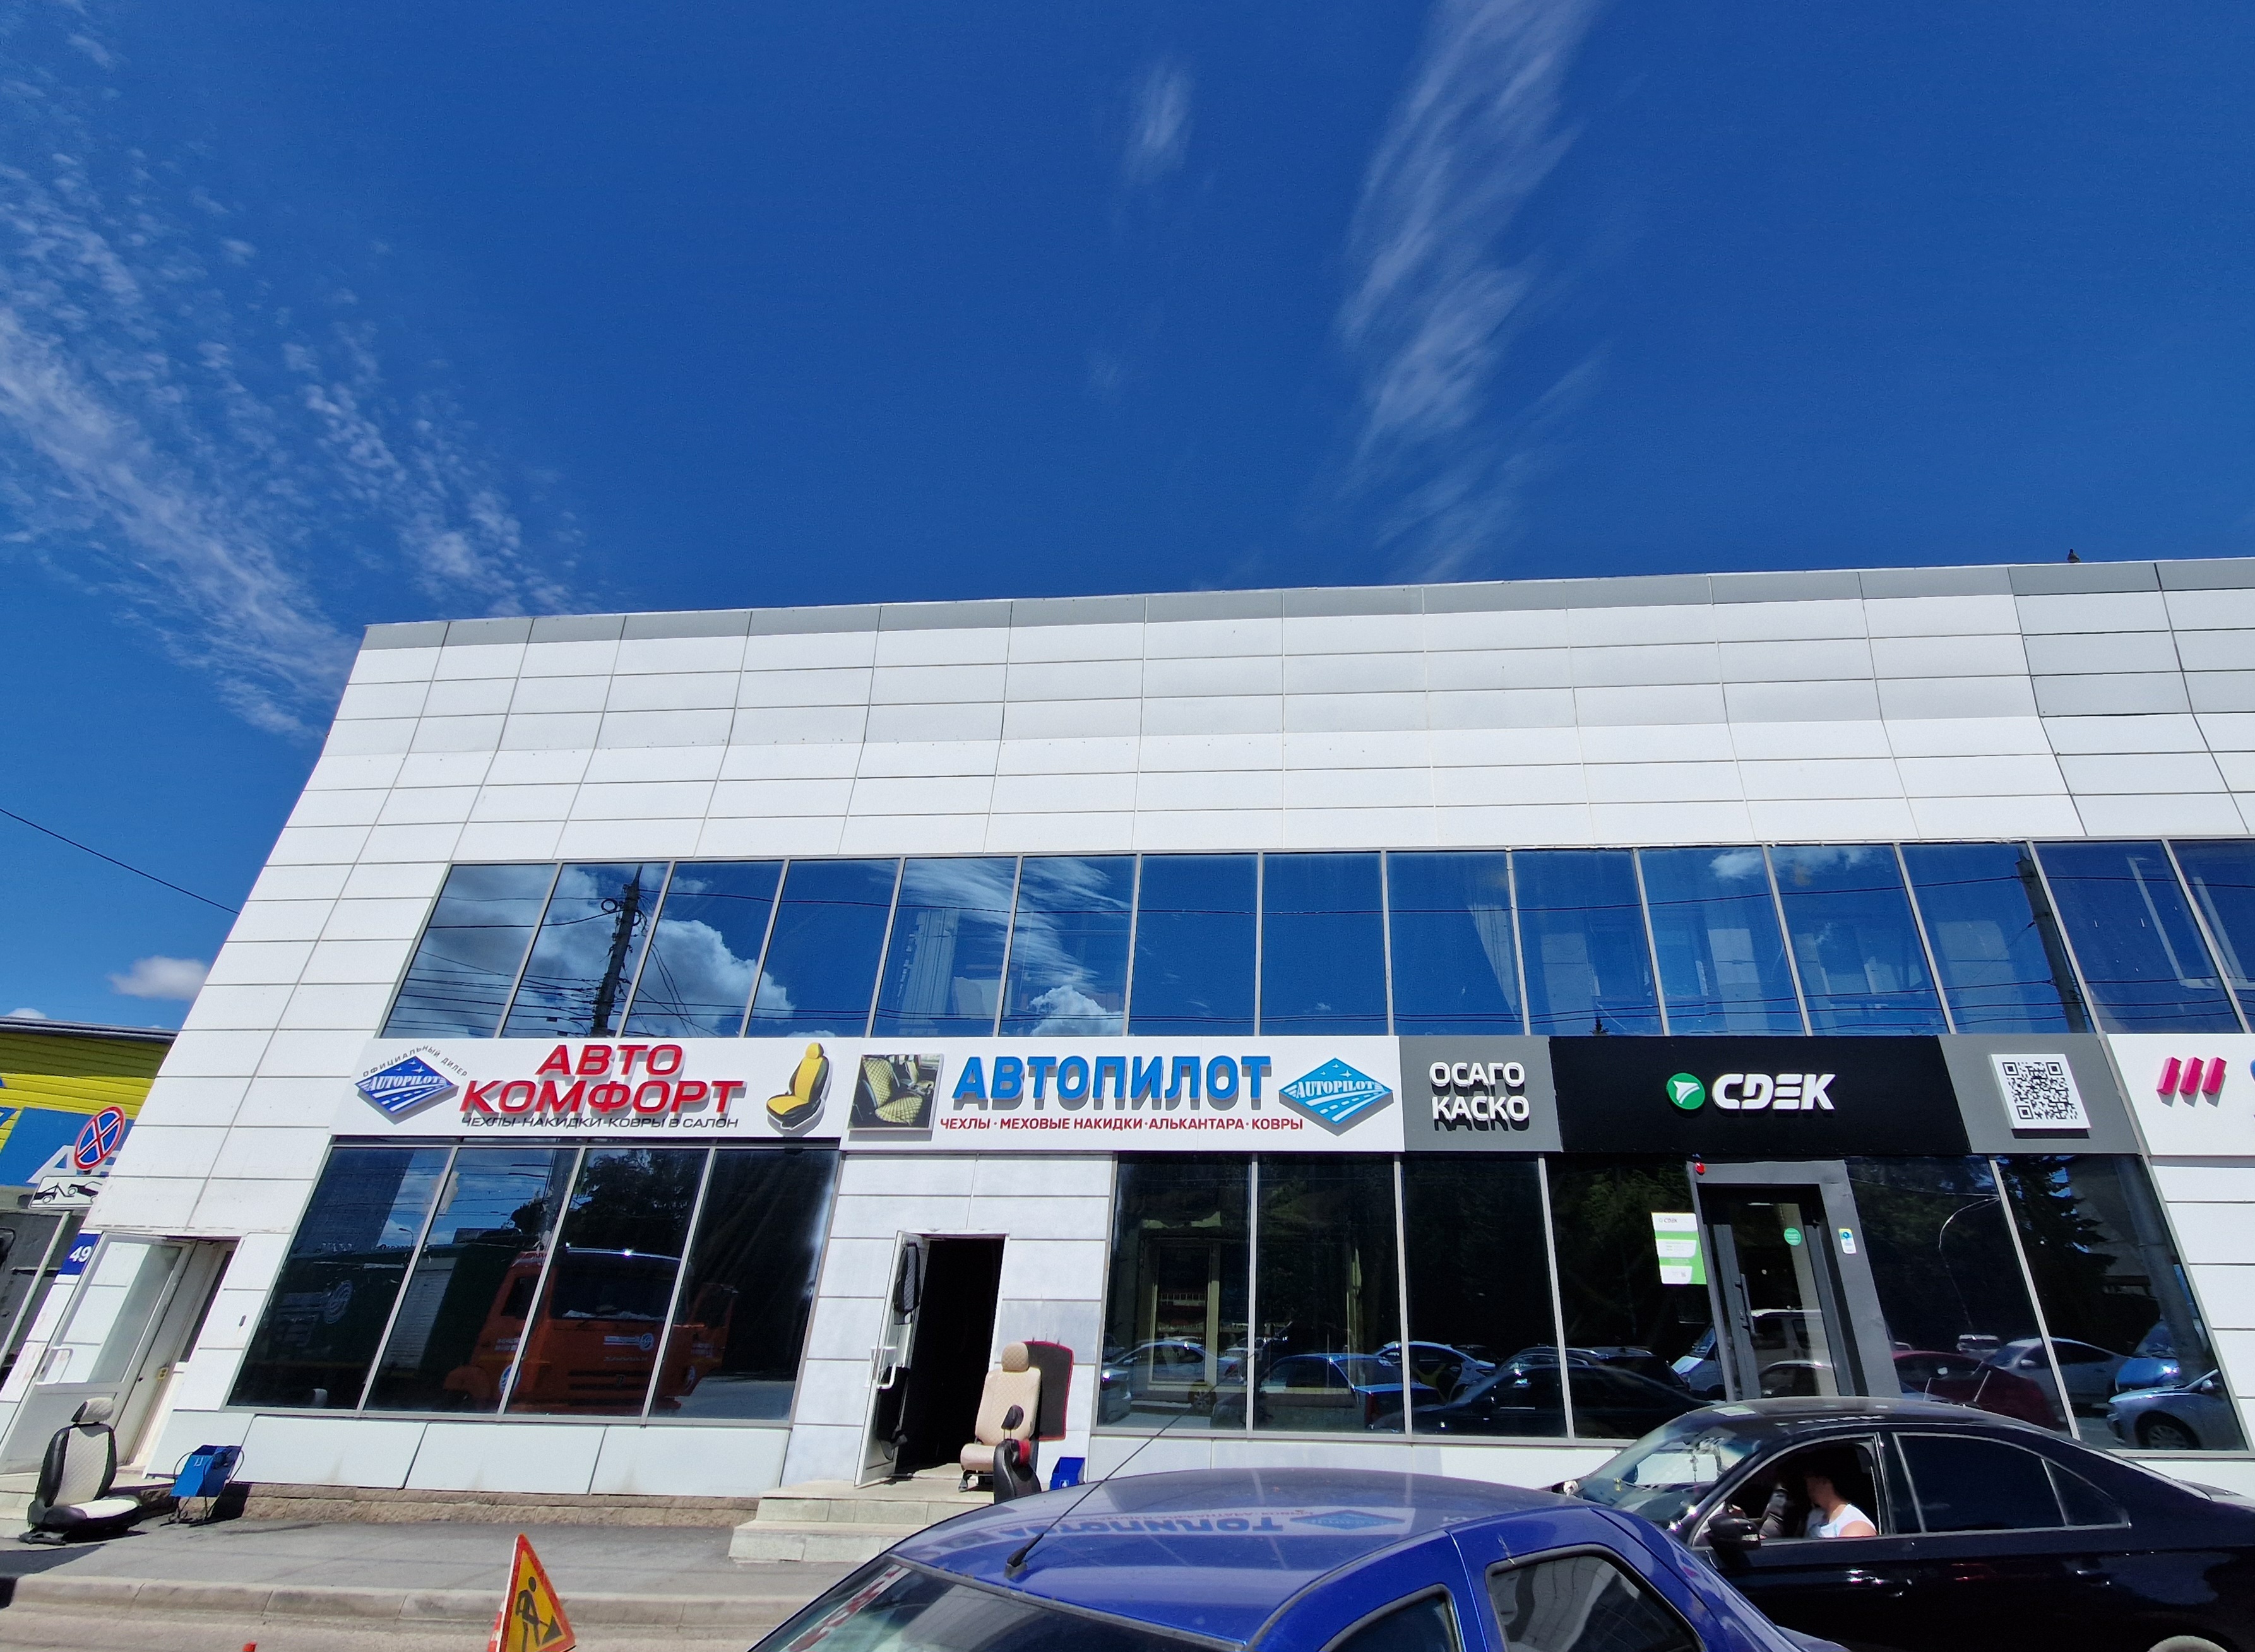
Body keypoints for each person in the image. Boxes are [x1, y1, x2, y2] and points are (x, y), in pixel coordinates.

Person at [1800, 1464, 1876, 1539]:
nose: (1808, 1487)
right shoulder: (1815, 1516)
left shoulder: (1855, 1527)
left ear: (1825, 1482)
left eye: (1809, 1477)